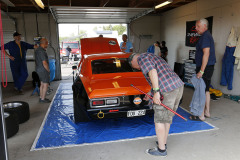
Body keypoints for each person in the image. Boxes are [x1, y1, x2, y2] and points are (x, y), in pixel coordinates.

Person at [128, 52, 184, 157]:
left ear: (132, 61)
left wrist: (156, 92)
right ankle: (163, 142)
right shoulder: (152, 56)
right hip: (177, 85)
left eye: (134, 67)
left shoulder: (141, 59)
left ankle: (161, 150)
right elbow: (160, 75)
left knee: (160, 120)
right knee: (166, 118)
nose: (137, 69)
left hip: (166, 90)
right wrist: (151, 92)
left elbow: (152, 71)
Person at [190, 18, 216, 121]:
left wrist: (201, 71)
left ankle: (200, 115)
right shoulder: (207, 35)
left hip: (204, 68)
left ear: (204, 26)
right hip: (209, 67)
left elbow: (206, 53)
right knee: (206, 90)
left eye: (198, 26)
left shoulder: (205, 37)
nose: (196, 28)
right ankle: (207, 112)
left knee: (201, 90)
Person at [35, 38, 51, 103]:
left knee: (42, 84)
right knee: (46, 84)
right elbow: (44, 62)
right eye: (47, 43)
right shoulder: (41, 51)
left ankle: (41, 97)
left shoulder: (38, 50)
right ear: (44, 43)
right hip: (43, 69)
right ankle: (43, 99)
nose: (47, 45)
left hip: (39, 69)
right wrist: (48, 70)